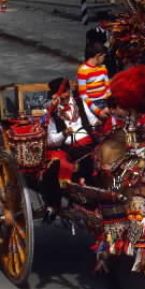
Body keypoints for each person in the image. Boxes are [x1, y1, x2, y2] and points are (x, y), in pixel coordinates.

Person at [41, 77, 99, 218]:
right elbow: (50, 140)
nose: (66, 96)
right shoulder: (51, 113)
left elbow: (93, 120)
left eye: (67, 92)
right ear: (56, 96)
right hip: (71, 149)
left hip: (91, 144)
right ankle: (84, 201)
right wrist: (63, 133)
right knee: (59, 167)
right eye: (62, 94)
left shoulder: (80, 102)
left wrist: (98, 123)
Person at [77, 41, 112, 121]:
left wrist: (109, 106)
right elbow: (83, 96)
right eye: (103, 56)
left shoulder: (103, 68)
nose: (104, 58)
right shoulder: (83, 70)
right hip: (92, 104)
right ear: (98, 56)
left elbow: (108, 88)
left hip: (106, 102)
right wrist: (98, 111)